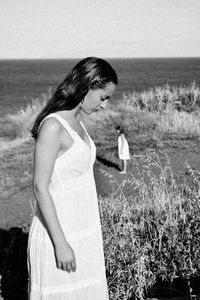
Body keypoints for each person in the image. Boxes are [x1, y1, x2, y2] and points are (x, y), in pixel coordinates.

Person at [27, 57, 117, 300]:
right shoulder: (53, 126)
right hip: (58, 237)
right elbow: (39, 187)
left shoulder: (77, 123)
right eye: (103, 97)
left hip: (83, 234)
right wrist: (60, 244)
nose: (105, 105)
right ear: (88, 86)